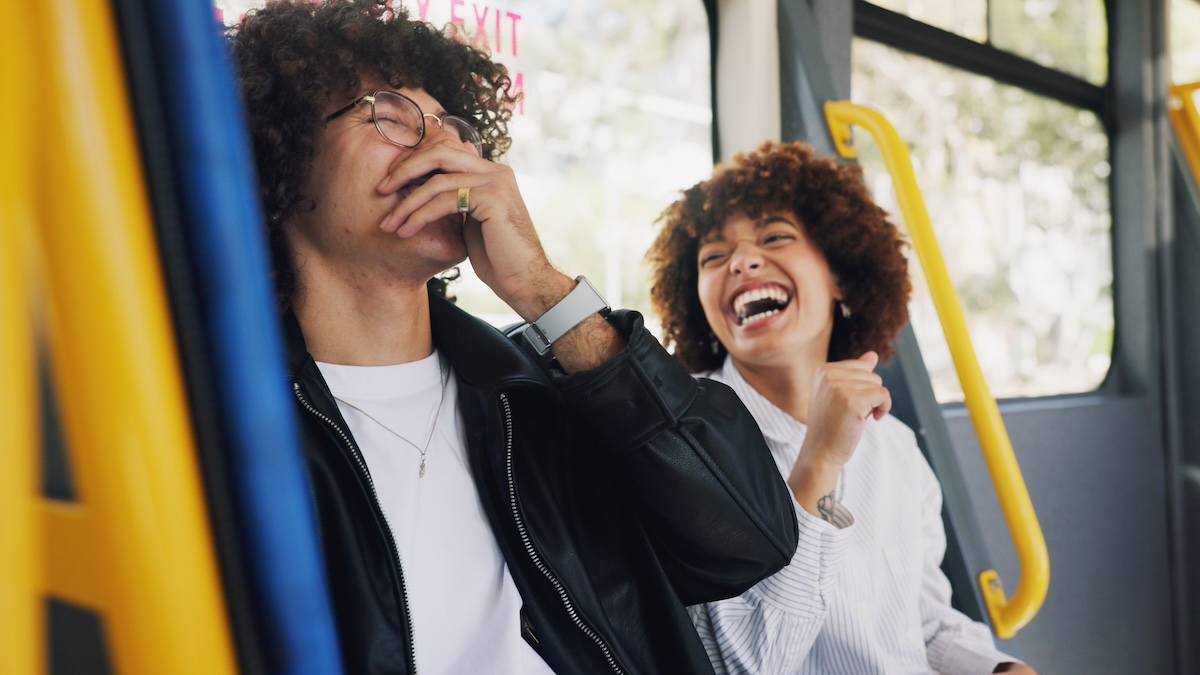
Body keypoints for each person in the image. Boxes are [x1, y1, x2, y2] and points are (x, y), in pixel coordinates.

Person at [228, 2, 799, 673]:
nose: (448, 147)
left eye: (454, 128)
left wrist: (544, 293)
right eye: (389, 114)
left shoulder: (541, 394)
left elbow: (748, 540)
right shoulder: (232, 426)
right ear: (281, 162)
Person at [646, 140, 1037, 674]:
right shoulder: (681, 440)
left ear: (841, 276)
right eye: (714, 256)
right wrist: (820, 463)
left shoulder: (894, 442)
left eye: (775, 237)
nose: (741, 260)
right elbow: (745, 665)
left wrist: (997, 668)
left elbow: (924, 625)